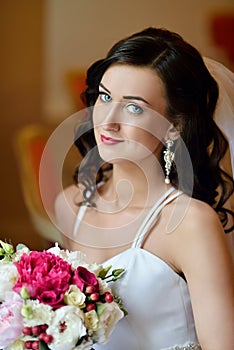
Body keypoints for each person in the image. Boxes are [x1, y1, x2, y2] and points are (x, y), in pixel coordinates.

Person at [54, 27, 234, 349]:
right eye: (105, 97)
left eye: (134, 107)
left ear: (174, 127)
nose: (107, 121)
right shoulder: (71, 206)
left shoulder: (190, 223)